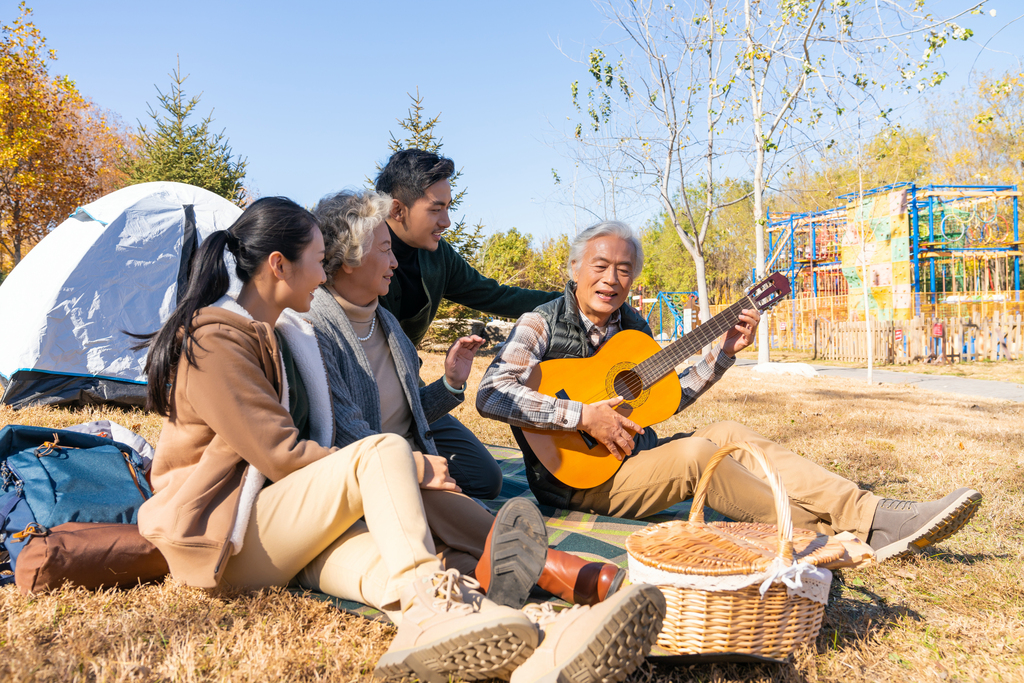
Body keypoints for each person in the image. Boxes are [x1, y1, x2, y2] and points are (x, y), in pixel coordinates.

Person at [135, 198, 664, 683]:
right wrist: (410, 468)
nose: (323, 273)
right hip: (223, 538)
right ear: (279, 265)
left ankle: (543, 644)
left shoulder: (277, 332)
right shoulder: (218, 338)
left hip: (276, 531)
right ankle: (455, 599)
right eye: (319, 260)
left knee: (429, 571)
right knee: (388, 453)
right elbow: (282, 454)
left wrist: (445, 395)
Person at [477, 220, 982, 562]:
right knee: (699, 455)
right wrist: (581, 417)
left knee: (729, 433)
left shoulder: (631, 329)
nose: (611, 279)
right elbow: (492, 394)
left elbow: (666, 398)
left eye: (624, 270)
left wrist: (723, 354)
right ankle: (821, 537)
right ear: (574, 269)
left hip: (632, 456)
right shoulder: (540, 323)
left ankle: (872, 514)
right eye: (600, 266)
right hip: (576, 479)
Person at [304, 189, 626, 608]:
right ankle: (555, 568)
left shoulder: (385, 323)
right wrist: (416, 466)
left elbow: (409, 416)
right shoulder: (316, 329)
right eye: (385, 250)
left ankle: (490, 576)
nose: (395, 262)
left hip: (408, 467)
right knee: (431, 494)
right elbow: (352, 440)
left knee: (455, 509)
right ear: (349, 258)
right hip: (365, 479)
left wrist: (451, 385)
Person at [374, 149, 560, 499]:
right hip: (359, 401)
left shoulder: (437, 256)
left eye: (448, 207)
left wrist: (567, 301)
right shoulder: (359, 252)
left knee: (485, 480)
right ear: (397, 210)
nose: (446, 221)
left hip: (410, 396)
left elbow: (494, 295)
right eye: (436, 209)